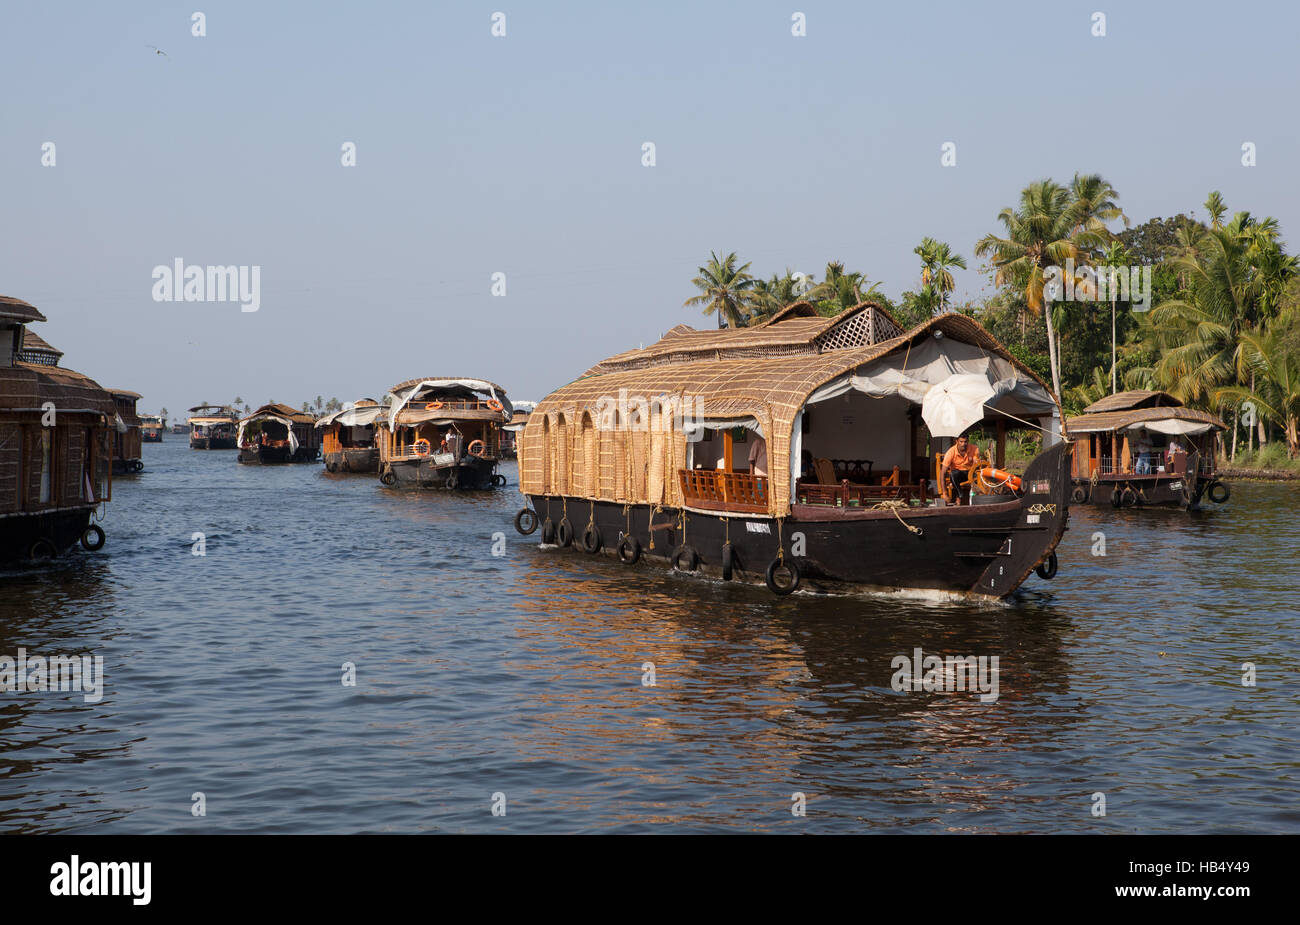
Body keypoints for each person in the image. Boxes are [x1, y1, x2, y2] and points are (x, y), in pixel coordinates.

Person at [940, 434, 983, 505]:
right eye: (961, 441)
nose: (963, 444)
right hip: (958, 475)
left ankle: (982, 497)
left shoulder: (974, 448)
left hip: (970, 473)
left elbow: (977, 463)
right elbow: (943, 473)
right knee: (953, 474)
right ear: (956, 441)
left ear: (968, 441)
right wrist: (944, 493)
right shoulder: (951, 452)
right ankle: (959, 496)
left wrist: (976, 462)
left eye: (965, 442)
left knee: (980, 475)